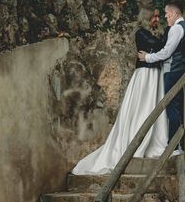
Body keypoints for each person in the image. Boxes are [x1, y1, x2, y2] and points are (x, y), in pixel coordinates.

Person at [71, 11, 170, 175]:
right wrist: (161, 46)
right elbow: (159, 46)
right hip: (145, 75)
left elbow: (161, 48)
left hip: (155, 75)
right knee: (141, 107)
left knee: (154, 107)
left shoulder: (160, 34)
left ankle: (153, 140)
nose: (157, 19)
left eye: (158, 17)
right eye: (154, 16)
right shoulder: (141, 33)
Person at [137, 2, 185, 149]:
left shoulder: (176, 29)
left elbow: (166, 52)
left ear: (174, 14)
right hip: (183, 71)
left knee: (172, 109)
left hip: (172, 71)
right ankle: (179, 145)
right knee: (179, 107)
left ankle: (173, 146)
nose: (165, 17)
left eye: (167, 14)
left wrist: (148, 57)